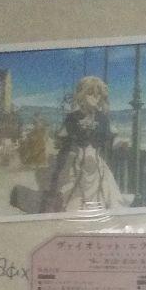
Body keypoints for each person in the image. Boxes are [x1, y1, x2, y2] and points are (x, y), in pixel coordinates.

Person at [43, 75, 126, 212]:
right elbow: (64, 142)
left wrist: (120, 143)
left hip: (96, 165)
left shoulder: (103, 118)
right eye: (90, 93)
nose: (95, 98)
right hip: (76, 163)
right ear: (82, 95)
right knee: (73, 199)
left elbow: (110, 139)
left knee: (104, 195)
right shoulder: (72, 117)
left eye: (98, 95)